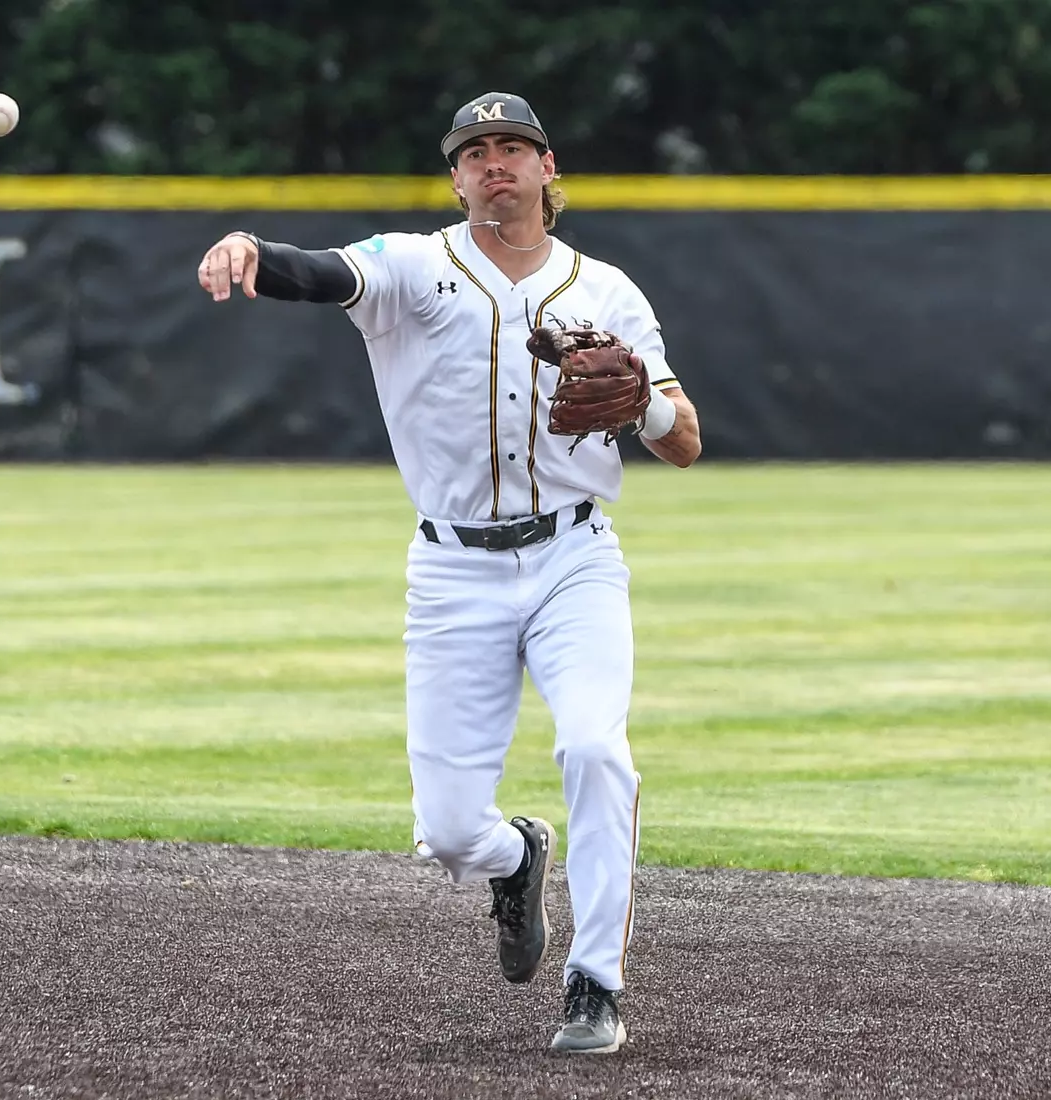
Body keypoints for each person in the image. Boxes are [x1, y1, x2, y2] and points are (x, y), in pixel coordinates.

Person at [195, 91, 702, 1055]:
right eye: (475, 152)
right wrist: (253, 255)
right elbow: (321, 273)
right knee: (450, 834)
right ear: (456, 175)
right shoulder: (412, 265)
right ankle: (516, 862)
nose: (493, 163)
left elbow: (684, 443)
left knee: (595, 750)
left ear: (549, 171)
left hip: (574, 558)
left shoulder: (610, 292)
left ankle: (595, 984)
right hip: (451, 571)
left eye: (513, 147)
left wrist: (639, 403)